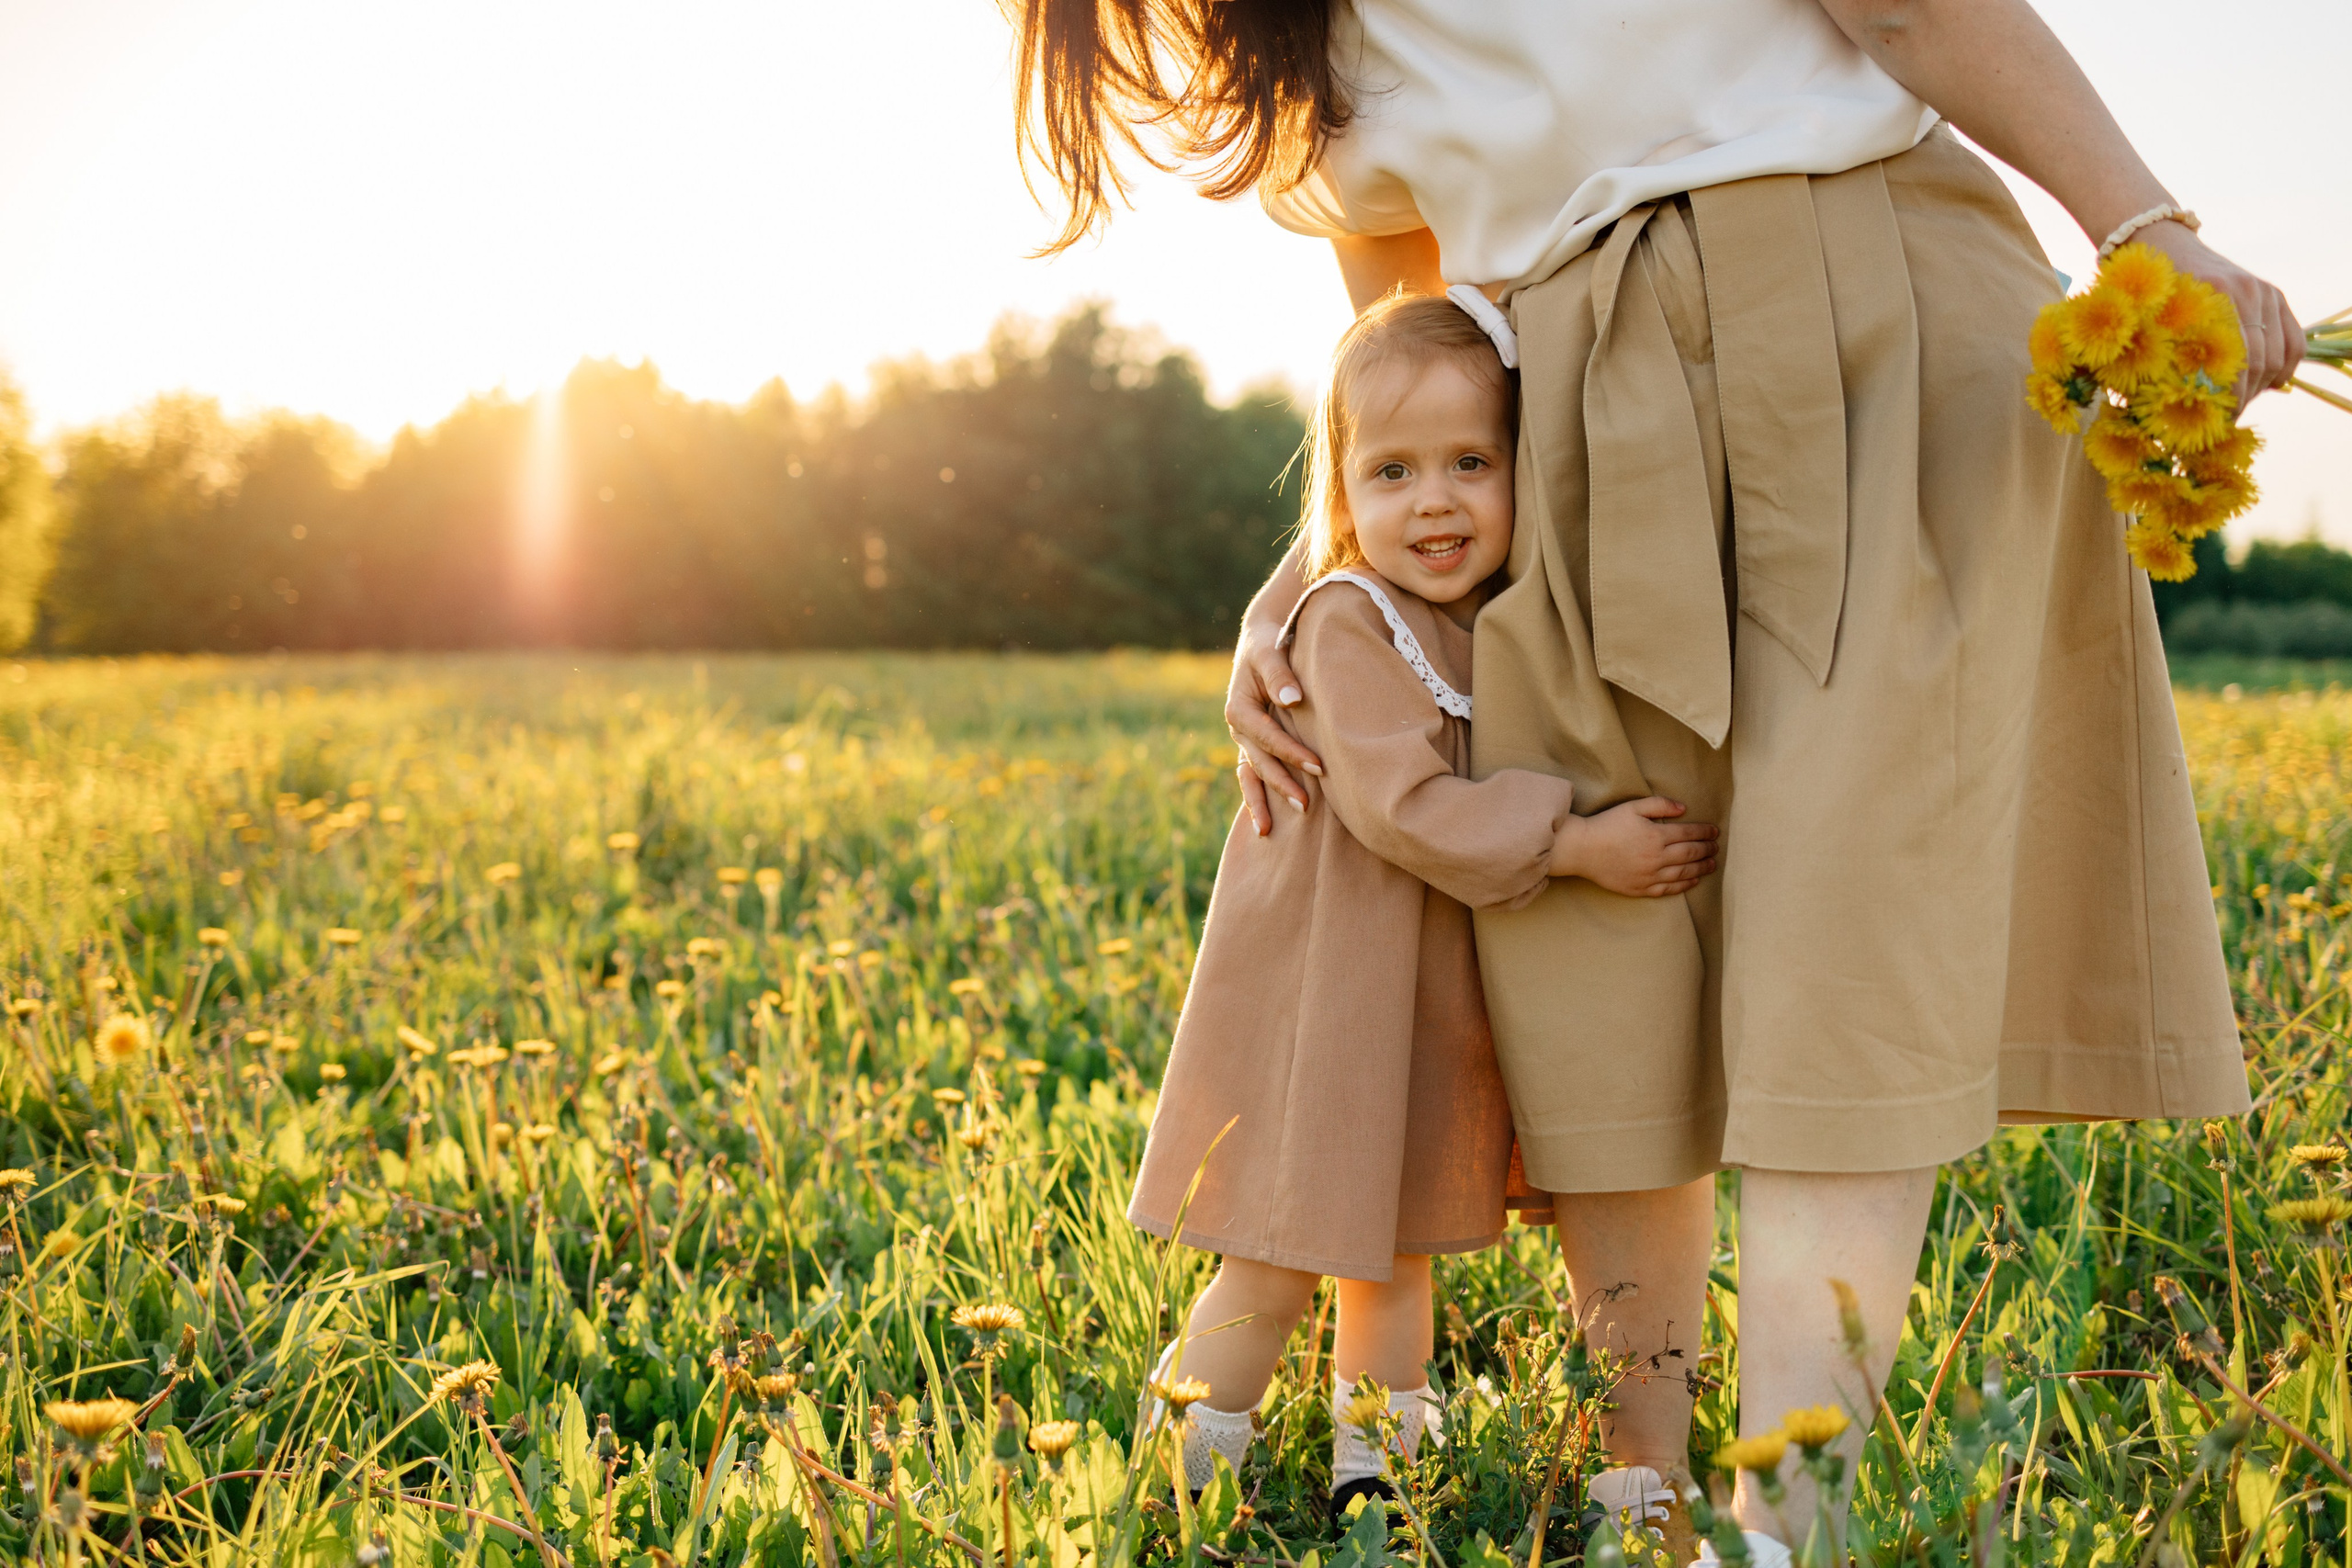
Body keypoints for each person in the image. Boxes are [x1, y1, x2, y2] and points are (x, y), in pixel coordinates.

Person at [1009, 3, 2288, 1563]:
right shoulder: (1283, 28)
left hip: (1855, 317)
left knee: (1782, 945)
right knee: (1666, 944)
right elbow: (1406, 314)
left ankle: (1778, 1529)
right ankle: (1695, 1507)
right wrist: (1323, 577)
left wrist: (2146, 233)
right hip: (1572, 400)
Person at [1125, 291, 1720, 1528]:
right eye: (1392, 472)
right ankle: (1181, 1461)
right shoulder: (1349, 616)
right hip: (1329, 997)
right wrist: (1575, 843)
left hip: (1400, 994)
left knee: (1391, 1243)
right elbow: (1405, 809)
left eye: (1469, 464)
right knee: (1283, 1247)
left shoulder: (1473, 621)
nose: (1434, 502)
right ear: (1343, 496)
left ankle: (1378, 1472)